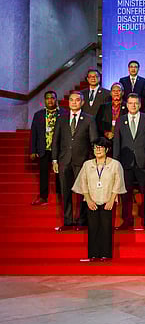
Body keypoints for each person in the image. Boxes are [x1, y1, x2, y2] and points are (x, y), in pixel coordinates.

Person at [72, 137, 126, 261]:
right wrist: (88, 200)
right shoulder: (87, 165)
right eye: (96, 147)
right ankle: (93, 254)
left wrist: (112, 200)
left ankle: (106, 254)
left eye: (101, 147)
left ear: (107, 149)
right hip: (92, 201)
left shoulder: (115, 164)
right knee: (93, 228)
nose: (98, 150)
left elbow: (118, 183)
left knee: (106, 228)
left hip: (108, 201)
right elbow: (83, 183)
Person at [52, 91, 98, 230]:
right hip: (64, 160)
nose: (74, 102)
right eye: (71, 100)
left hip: (82, 161)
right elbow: (55, 141)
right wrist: (55, 160)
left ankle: (82, 221)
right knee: (65, 192)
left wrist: (92, 162)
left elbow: (94, 141)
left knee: (83, 192)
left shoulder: (89, 119)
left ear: (82, 102)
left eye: (77, 100)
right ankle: (67, 221)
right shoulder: (61, 119)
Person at [112, 93, 145, 230]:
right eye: (131, 103)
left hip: (143, 162)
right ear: (127, 105)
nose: (133, 105)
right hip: (125, 163)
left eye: (136, 103)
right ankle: (127, 220)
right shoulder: (120, 120)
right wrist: (115, 162)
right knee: (126, 194)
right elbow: (117, 143)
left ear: (140, 105)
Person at [30, 90, 65, 206]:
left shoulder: (64, 113)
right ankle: (43, 197)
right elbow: (34, 133)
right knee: (43, 174)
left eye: (52, 98)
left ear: (56, 99)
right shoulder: (38, 114)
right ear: (45, 100)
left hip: (59, 149)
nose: (50, 100)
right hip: (43, 149)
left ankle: (60, 196)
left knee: (60, 174)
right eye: (48, 98)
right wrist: (33, 150)